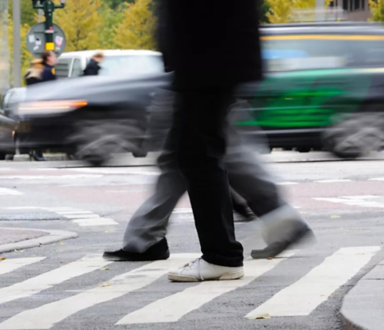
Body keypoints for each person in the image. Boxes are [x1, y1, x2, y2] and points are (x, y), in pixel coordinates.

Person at [103, 94, 312, 263]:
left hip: (203, 80)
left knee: (215, 153)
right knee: (183, 160)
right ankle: (146, 237)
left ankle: (149, 238)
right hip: (196, 79)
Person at [152, 0, 263, 282]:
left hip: (210, 61)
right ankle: (222, 253)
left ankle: (222, 256)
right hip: (210, 61)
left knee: (198, 154)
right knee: (200, 153)